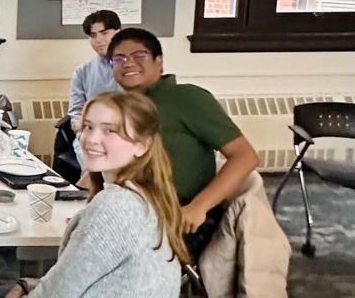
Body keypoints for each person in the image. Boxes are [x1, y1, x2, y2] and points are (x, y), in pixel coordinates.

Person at [0, 91, 187, 298]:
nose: (91, 138)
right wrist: (29, 286)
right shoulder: (149, 198)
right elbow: (89, 282)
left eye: (110, 130)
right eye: (87, 127)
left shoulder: (115, 207)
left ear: (142, 145)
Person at [107, 28, 260, 258]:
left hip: (179, 221)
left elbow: (246, 156)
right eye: (119, 58)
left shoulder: (187, 98)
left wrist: (199, 206)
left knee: (90, 254)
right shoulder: (122, 106)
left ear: (159, 62)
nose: (128, 63)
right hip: (133, 212)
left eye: (139, 56)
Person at [68, 10, 122, 168]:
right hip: (91, 137)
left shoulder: (132, 69)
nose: (98, 40)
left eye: (104, 33)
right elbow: (75, 113)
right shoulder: (82, 72)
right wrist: (84, 130)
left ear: (118, 33)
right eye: (93, 36)